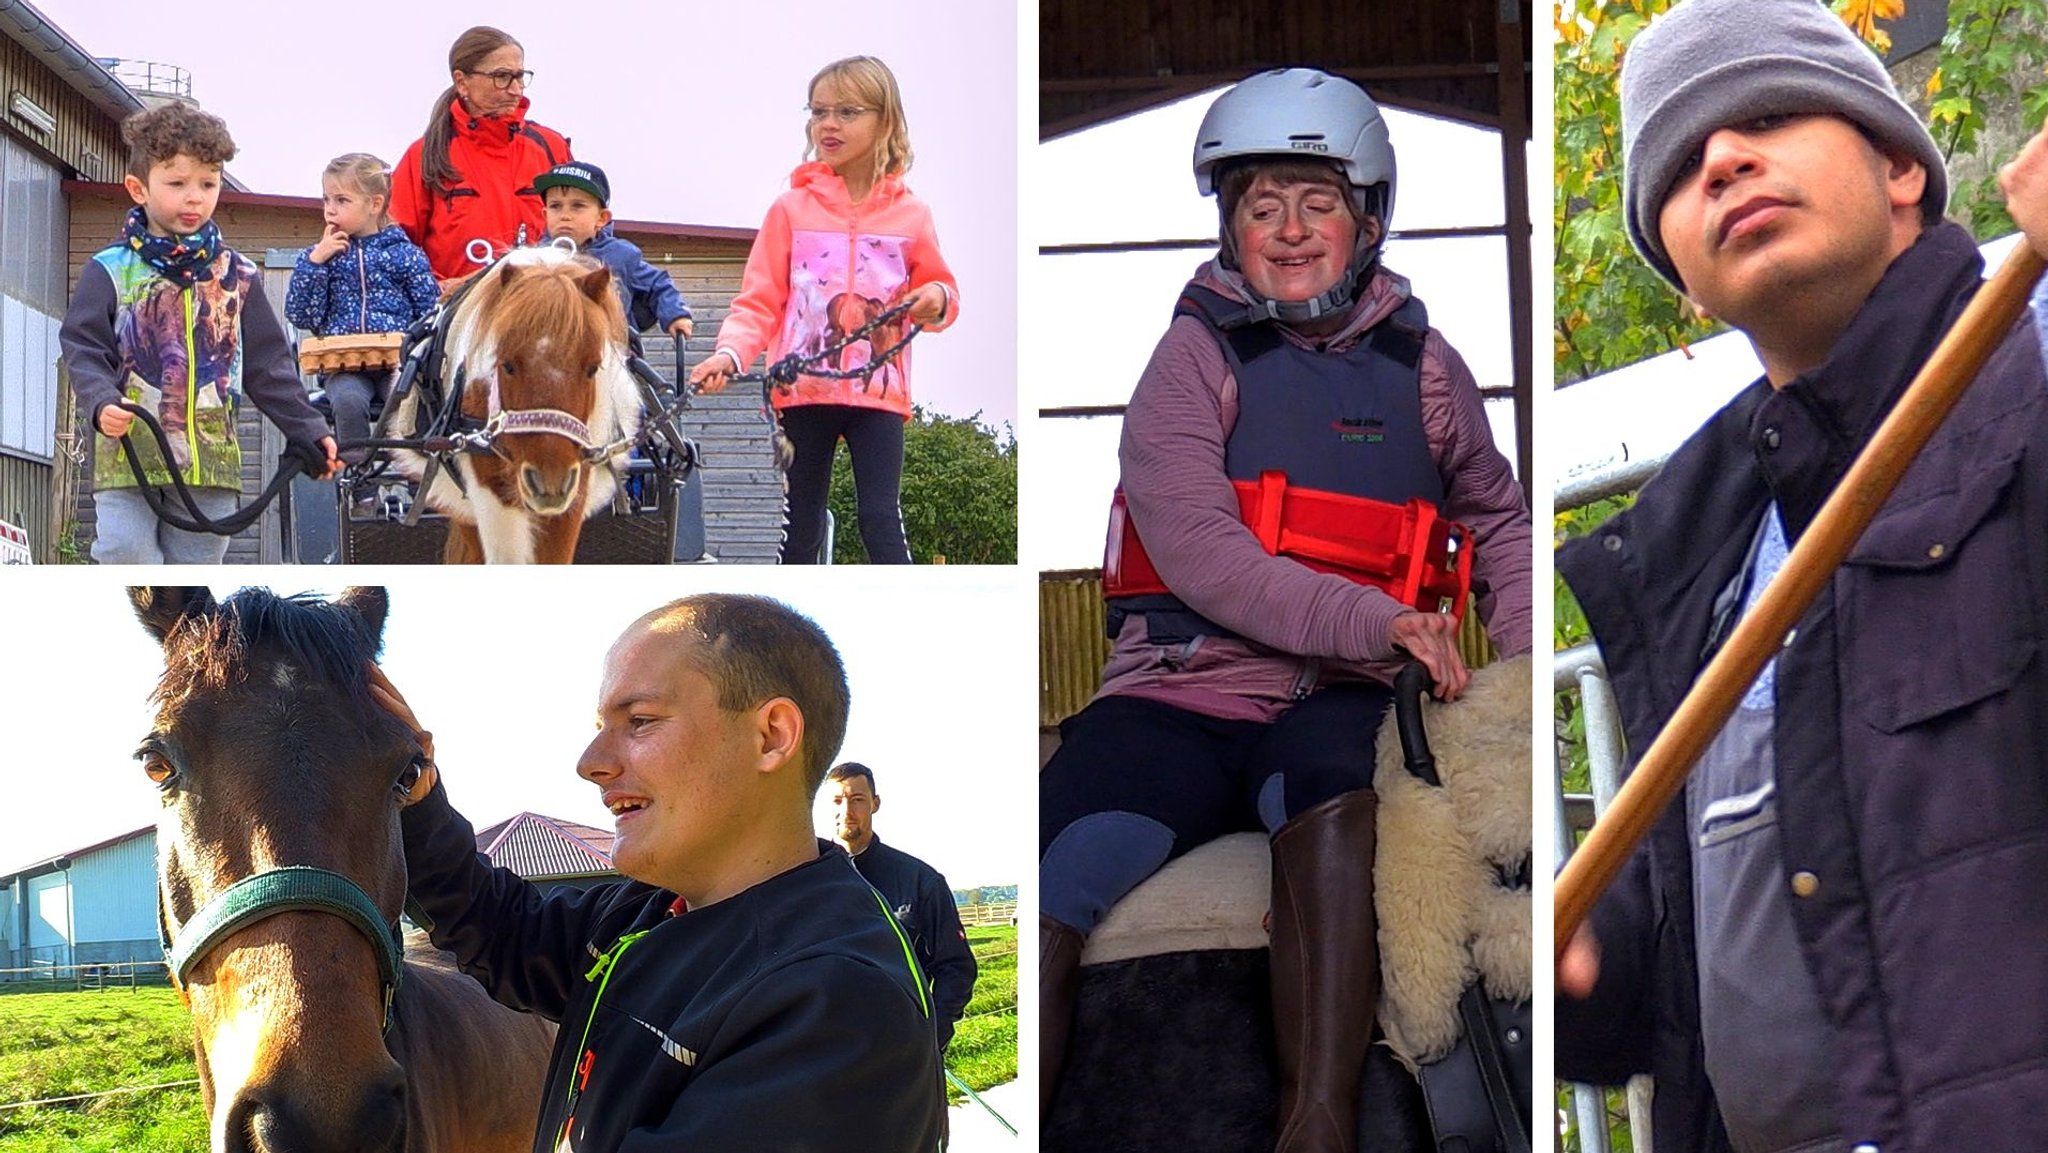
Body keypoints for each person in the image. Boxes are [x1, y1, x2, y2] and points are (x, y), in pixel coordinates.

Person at [1555, 2, 2048, 1150]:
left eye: (1767, 117)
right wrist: (1584, 963)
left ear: (1899, 172)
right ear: (1680, 277)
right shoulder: (1689, 560)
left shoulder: (2029, 378)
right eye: (1677, 168)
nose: (1722, 157)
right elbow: (1680, 977)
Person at [1037, 68, 1532, 1153]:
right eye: (1261, 206)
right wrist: (1372, 619)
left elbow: (1496, 517)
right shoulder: (1188, 363)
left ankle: (1317, 1122)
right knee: (1059, 850)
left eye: (1315, 203)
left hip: (1340, 702)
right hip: (1177, 694)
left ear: (1365, 219)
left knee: (1351, 807)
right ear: (1229, 225)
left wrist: (1531, 661)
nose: (1289, 228)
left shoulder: (1428, 371)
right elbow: (1205, 555)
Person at [369, 594, 946, 1153]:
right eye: (601, 724)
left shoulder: (837, 1008)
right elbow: (503, 928)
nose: (591, 763)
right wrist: (417, 796)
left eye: (640, 720)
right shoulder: (645, 911)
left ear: (771, 736)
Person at [689, 55, 958, 565]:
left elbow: (942, 288)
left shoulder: (913, 214)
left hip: (879, 397)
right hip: (802, 391)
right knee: (801, 527)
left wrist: (936, 300)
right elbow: (759, 300)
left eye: (847, 112)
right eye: (818, 112)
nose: (828, 125)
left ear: (886, 120)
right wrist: (730, 353)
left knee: (881, 518)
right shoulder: (789, 209)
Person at [59, 103, 338, 565]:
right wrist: (100, 401)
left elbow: (270, 367)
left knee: (195, 574)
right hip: (128, 456)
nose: (194, 197)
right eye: (177, 183)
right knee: (125, 553)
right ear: (138, 188)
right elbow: (83, 347)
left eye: (208, 184)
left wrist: (309, 429)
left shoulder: (240, 276)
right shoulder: (108, 270)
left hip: (211, 464)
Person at [285, 153, 441, 465]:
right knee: (347, 400)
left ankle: (411, 470)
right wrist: (316, 263)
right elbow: (301, 314)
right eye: (326, 199)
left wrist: (415, 347)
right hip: (344, 365)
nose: (330, 209)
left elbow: (429, 310)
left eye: (342, 200)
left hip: (395, 362)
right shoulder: (320, 258)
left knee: (406, 397)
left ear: (374, 204)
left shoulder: (404, 254)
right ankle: (358, 474)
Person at [390, 26, 571, 284]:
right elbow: (395, 244)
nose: (516, 90)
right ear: (462, 82)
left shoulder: (550, 146)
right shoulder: (424, 154)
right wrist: (433, 287)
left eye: (519, 76)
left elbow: (586, 224)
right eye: (502, 77)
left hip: (539, 305)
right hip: (457, 309)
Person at [826, 762, 978, 1053]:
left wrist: (930, 1040)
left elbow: (956, 968)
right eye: (837, 800)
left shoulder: (921, 881)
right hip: (827, 1056)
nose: (846, 811)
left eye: (857, 799)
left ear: (875, 803)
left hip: (902, 1053)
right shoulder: (803, 882)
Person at [533, 160, 695, 351]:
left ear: (602, 218)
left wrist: (676, 315)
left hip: (614, 352)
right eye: (556, 206)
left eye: (577, 206)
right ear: (545, 214)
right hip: (549, 352)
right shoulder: (535, 260)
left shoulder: (621, 255)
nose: (565, 215)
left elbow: (658, 284)